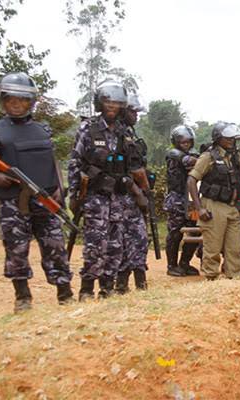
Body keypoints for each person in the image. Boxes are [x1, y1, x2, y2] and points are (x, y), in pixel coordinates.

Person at [0, 72, 73, 312]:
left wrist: (60, 191)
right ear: (3, 100)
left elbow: (52, 161)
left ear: (30, 102)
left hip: (46, 199)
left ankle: (65, 294)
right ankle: (23, 297)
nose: (16, 104)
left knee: (56, 247)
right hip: (13, 203)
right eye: (10, 100)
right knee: (16, 250)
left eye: (21, 100)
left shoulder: (43, 130)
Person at [68, 79, 147, 300]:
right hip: (96, 197)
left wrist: (138, 192)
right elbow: (75, 162)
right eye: (108, 103)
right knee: (95, 244)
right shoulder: (88, 129)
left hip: (120, 198)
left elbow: (133, 166)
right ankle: (86, 289)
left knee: (115, 246)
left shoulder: (125, 133)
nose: (112, 107)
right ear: (100, 104)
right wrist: (75, 195)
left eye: (116, 104)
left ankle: (108, 288)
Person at [187, 122, 240, 280]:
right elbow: (191, 180)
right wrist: (199, 208)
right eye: (227, 138)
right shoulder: (208, 157)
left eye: (232, 138)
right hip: (213, 206)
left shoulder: (235, 156)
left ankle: (233, 280)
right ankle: (211, 279)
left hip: (232, 207)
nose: (231, 140)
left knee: (234, 248)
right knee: (212, 248)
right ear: (218, 138)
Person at [115, 93, 149, 293]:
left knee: (138, 240)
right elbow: (134, 170)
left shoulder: (129, 133)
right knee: (124, 241)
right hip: (122, 196)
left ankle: (139, 283)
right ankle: (121, 285)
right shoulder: (118, 134)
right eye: (132, 111)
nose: (136, 115)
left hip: (132, 195)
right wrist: (142, 191)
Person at [164, 125, 200, 277]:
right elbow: (189, 161)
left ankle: (185, 263)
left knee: (194, 231)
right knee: (175, 233)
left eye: (188, 141)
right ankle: (171, 265)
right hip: (176, 198)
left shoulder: (191, 153)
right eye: (182, 141)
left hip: (191, 199)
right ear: (176, 142)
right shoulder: (173, 153)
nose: (186, 144)